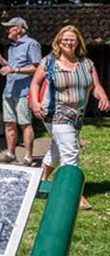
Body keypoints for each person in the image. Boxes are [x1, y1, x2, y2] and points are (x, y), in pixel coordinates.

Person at [30, 25, 110, 210]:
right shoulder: (49, 62)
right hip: (54, 114)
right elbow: (35, 83)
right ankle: (74, 195)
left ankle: (40, 180)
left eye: (71, 39)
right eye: (65, 39)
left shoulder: (86, 64)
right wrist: (35, 102)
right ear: (58, 41)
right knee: (70, 152)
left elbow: (96, 86)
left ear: (78, 42)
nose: (68, 42)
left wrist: (103, 96)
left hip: (77, 116)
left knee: (57, 150)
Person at [0, 17, 42, 165]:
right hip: (9, 91)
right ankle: (10, 154)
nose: (7, 30)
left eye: (10, 27)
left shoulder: (31, 44)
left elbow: (37, 69)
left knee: (25, 124)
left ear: (18, 29)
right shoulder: (12, 47)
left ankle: (28, 157)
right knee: (9, 123)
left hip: (23, 92)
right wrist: (1, 60)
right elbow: (11, 67)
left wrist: (14, 69)